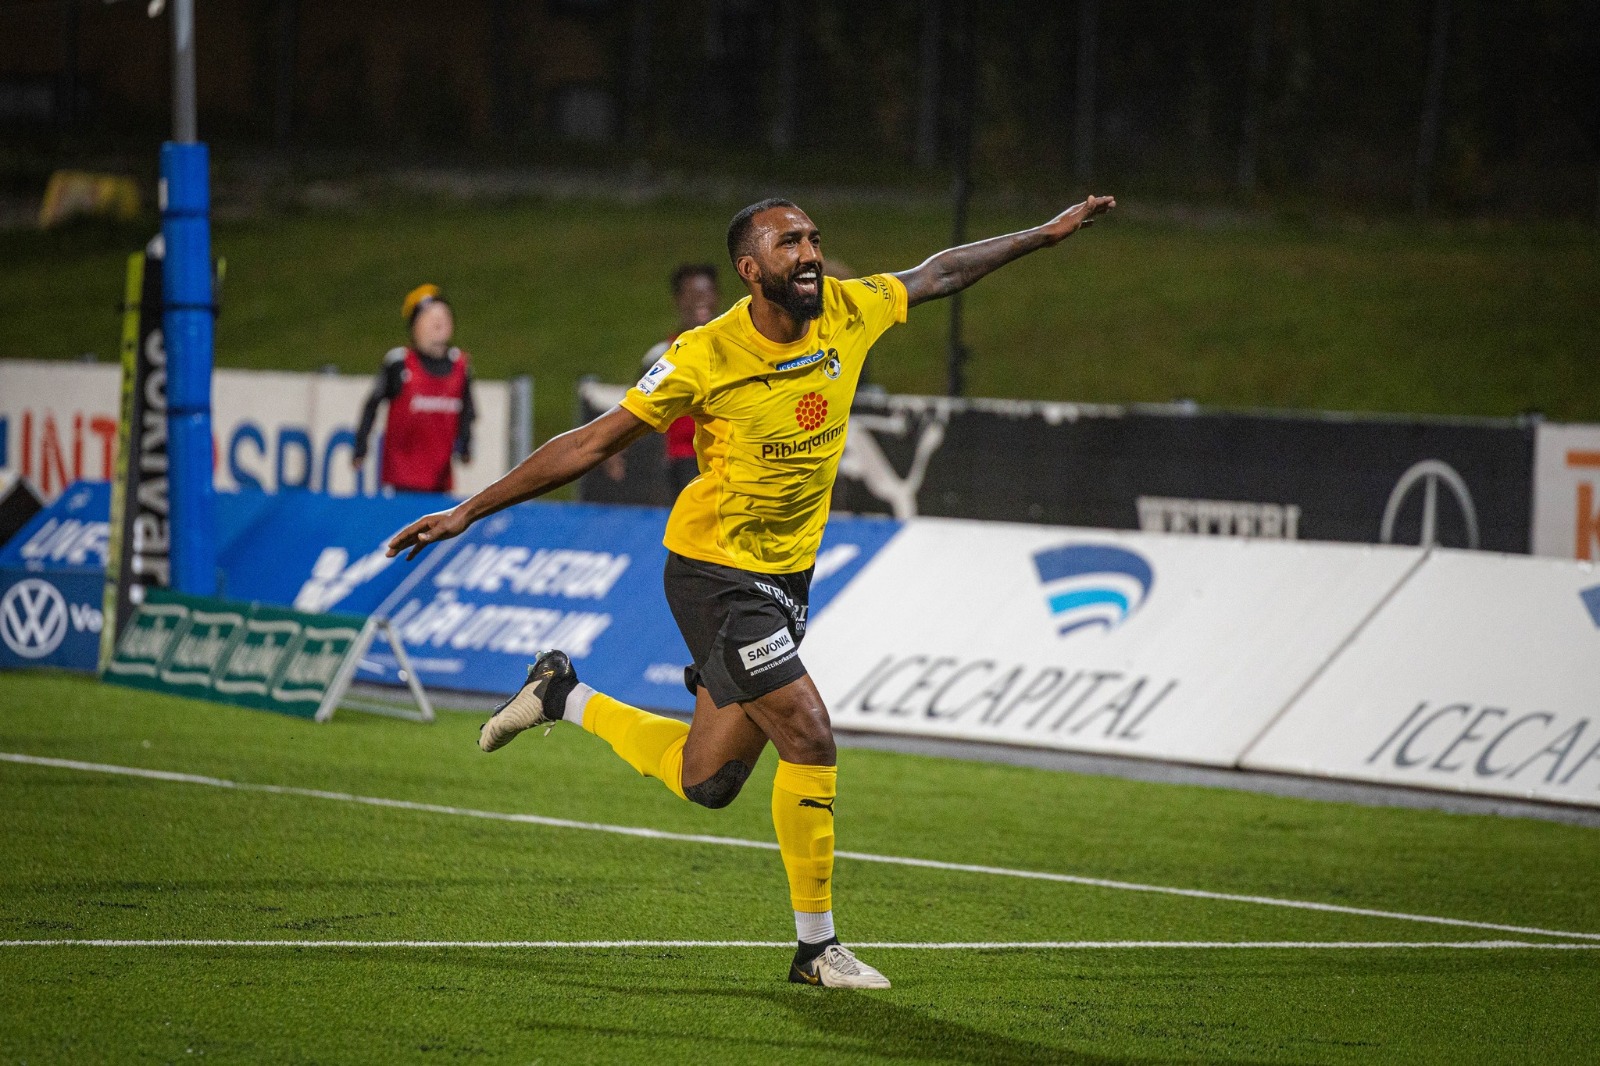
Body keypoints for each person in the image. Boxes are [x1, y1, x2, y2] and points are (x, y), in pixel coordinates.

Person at [387, 194, 1116, 988]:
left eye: (812, 239)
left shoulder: (849, 306)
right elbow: (593, 441)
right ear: (749, 269)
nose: (808, 253)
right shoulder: (703, 353)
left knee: (709, 780)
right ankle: (817, 950)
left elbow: (941, 271)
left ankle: (564, 696)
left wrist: (1042, 236)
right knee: (808, 732)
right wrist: (468, 509)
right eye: (787, 243)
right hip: (711, 572)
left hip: (785, 580)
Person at [354, 284, 477, 493]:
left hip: (440, 483)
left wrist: (465, 444)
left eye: (444, 315)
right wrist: (361, 446)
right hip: (400, 483)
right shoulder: (399, 363)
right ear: (415, 326)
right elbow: (372, 405)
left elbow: (467, 410)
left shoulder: (460, 366)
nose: (439, 322)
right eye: (430, 316)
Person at [639, 264, 722, 494]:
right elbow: (636, 407)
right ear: (678, 300)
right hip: (684, 460)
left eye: (707, 292)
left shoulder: (732, 350)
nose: (701, 300)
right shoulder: (662, 356)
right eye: (693, 294)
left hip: (730, 457)